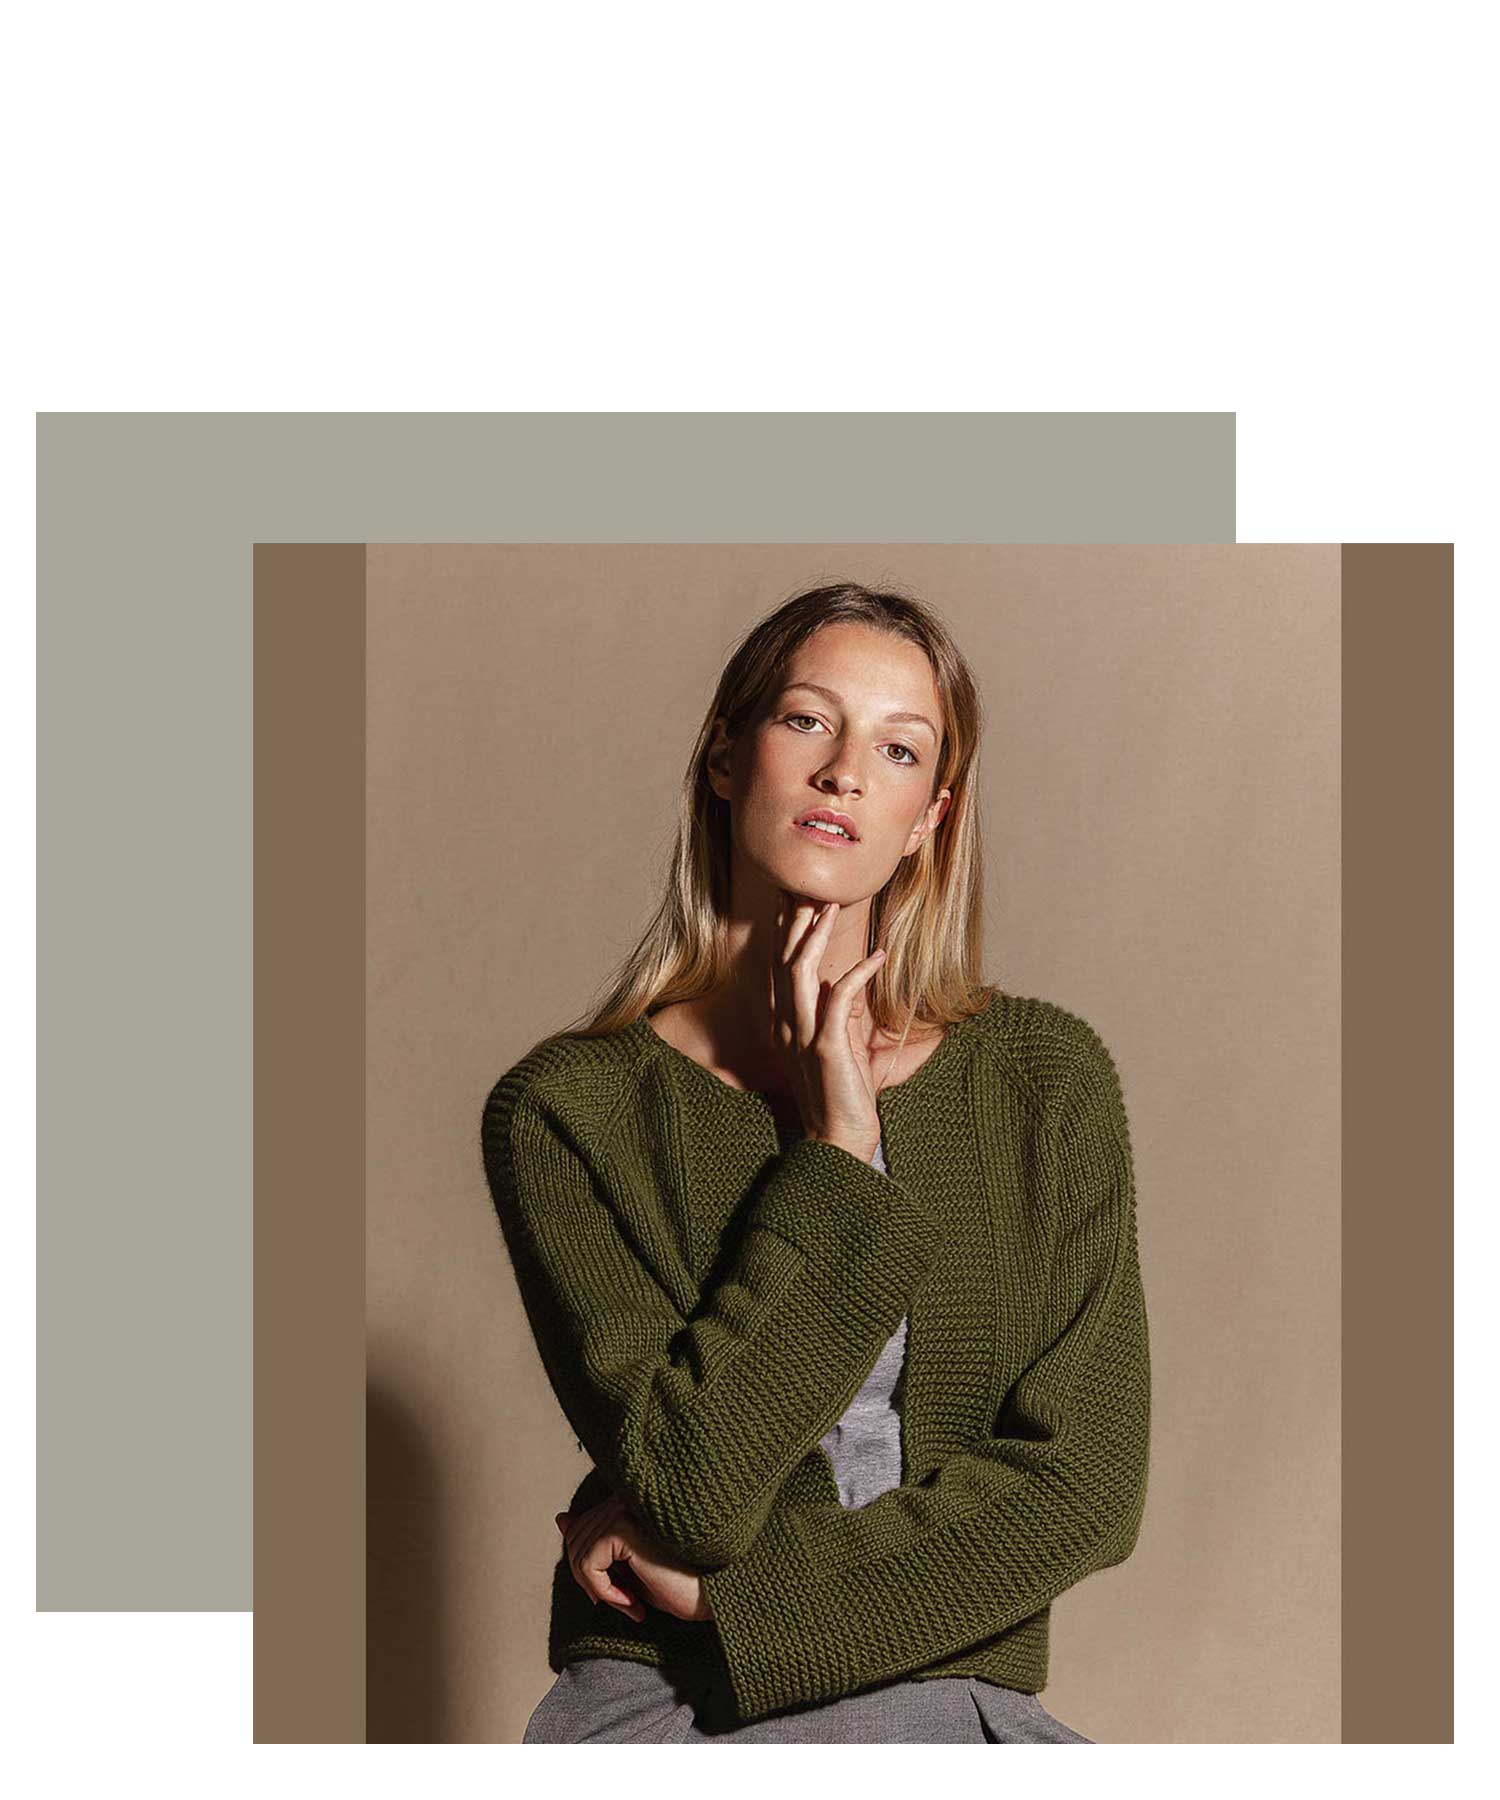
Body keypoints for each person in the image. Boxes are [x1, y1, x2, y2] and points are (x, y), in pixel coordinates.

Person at [481, 581, 1151, 1742]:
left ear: (929, 816)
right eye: (806, 721)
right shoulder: (570, 1111)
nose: (844, 772)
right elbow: (695, 1486)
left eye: (897, 750)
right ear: (725, 757)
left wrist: (748, 1604)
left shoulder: (1043, 1082)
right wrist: (838, 1150)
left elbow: (1084, 1485)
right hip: (670, 1701)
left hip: (947, 1695)